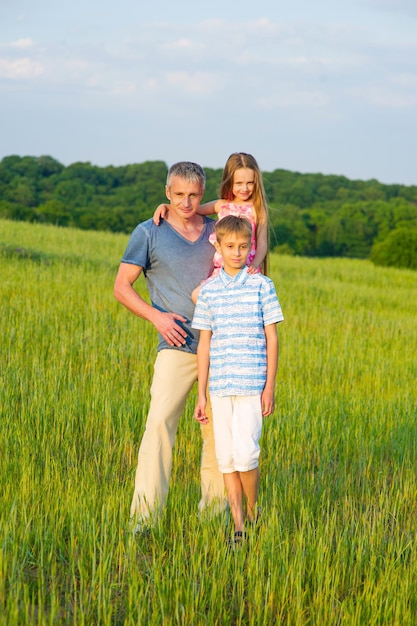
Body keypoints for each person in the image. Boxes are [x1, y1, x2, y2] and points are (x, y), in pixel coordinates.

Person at [114, 161, 225, 531]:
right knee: (159, 426)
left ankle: (213, 520)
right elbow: (121, 287)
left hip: (221, 348)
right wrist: (157, 317)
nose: (186, 202)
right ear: (167, 193)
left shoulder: (219, 231)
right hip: (176, 346)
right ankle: (144, 521)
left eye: (194, 194)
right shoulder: (149, 232)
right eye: (179, 194)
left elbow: (250, 214)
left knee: (218, 436)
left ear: (203, 192)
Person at [191, 215, 284, 546]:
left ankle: (255, 510)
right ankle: (239, 526)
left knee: (247, 455)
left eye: (243, 247)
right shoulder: (210, 292)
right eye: (229, 246)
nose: (236, 252)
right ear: (217, 245)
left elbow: (272, 338)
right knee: (227, 458)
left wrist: (269, 386)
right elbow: (204, 343)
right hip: (219, 388)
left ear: (250, 247)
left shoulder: (262, 286)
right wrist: (201, 394)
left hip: (252, 386)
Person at [153, 152, 269, 303]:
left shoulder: (257, 209)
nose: (245, 188)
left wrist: (254, 265)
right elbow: (193, 209)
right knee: (198, 295)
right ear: (229, 182)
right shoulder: (221, 205)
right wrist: (166, 206)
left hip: (246, 270)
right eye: (239, 183)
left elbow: (262, 243)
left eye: (250, 183)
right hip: (222, 271)